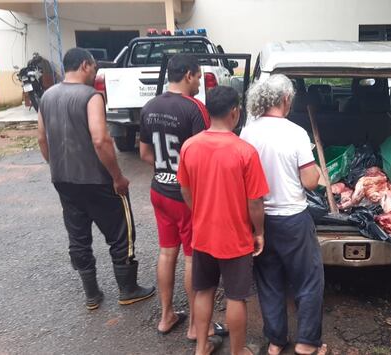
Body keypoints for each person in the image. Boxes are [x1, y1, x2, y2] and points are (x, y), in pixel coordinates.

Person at [37, 48, 155, 310]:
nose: (96, 71)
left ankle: (92, 294)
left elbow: (42, 139)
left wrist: (55, 166)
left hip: (63, 180)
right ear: (84, 65)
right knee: (120, 231)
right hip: (96, 180)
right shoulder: (91, 96)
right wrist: (117, 176)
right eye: (94, 67)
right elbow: (101, 140)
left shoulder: (47, 96)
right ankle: (128, 289)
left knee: (78, 235)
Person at [139, 54, 228, 340]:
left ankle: (166, 316)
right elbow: (204, 156)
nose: (200, 82)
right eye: (199, 76)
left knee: (167, 252)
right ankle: (195, 326)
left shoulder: (149, 106)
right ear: (188, 74)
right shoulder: (195, 109)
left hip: (158, 189)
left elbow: (144, 154)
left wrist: (165, 171)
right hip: (185, 196)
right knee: (192, 257)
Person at [240, 74, 328, 355]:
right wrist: (318, 171)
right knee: (308, 280)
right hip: (293, 218)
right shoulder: (295, 133)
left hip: (260, 218)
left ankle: (276, 341)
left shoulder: (248, 132)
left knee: (269, 282)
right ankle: (305, 343)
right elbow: (310, 182)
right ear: (286, 100)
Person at [177, 86, 269, 355]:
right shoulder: (245, 152)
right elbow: (255, 202)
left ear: (206, 111)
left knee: (204, 291)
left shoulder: (190, 146)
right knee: (235, 296)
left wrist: (200, 211)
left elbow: (185, 189)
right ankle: (237, 351)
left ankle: (202, 347)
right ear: (235, 112)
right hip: (235, 236)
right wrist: (259, 231)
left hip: (203, 233)